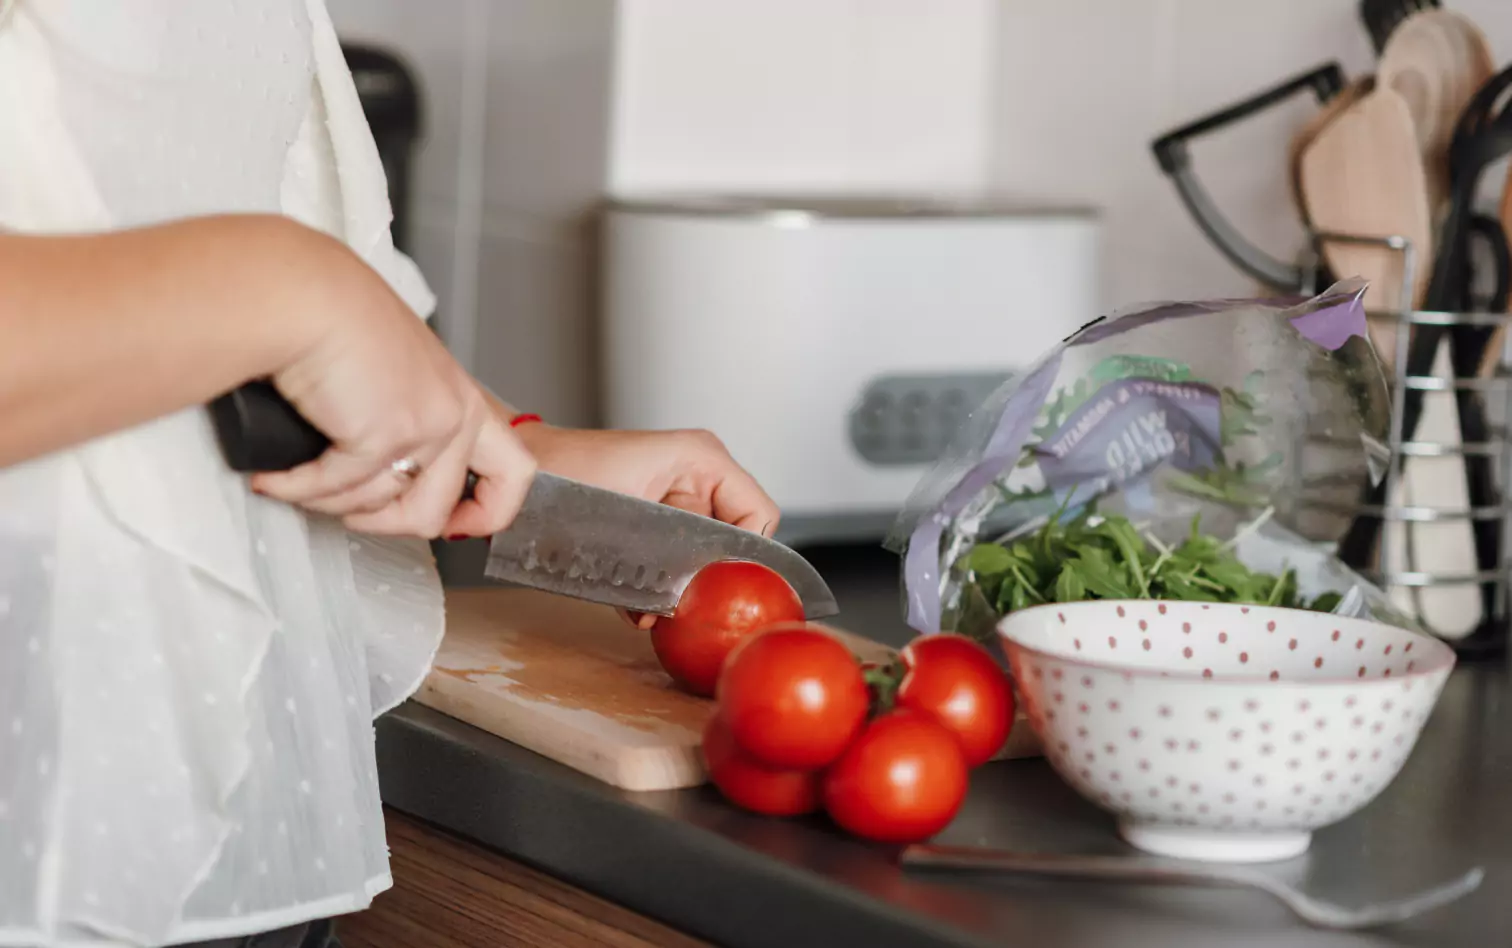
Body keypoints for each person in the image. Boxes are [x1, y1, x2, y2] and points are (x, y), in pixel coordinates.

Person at [0, 2, 779, 946]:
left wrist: (498, 443)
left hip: (223, 810)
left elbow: (149, 201)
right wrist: (293, 289)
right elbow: (262, 286)